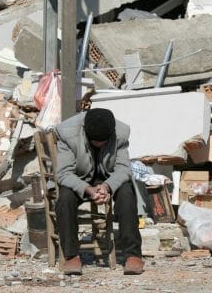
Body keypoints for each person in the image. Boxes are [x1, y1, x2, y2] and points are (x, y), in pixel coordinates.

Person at [54, 108, 144, 276]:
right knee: (65, 198)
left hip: (107, 177)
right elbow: (64, 173)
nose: (99, 145)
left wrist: (107, 186)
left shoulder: (121, 133)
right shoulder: (67, 133)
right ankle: (71, 256)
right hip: (80, 178)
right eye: (95, 141)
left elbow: (124, 169)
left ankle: (133, 254)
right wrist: (88, 189)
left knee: (127, 193)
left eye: (103, 142)